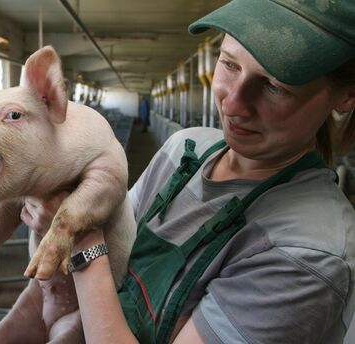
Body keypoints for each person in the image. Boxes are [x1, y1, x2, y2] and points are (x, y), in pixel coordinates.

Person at [21, 0, 355, 343]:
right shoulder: (182, 148)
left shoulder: (308, 251)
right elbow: (114, 245)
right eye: (229, 64)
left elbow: (96, 244)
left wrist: (78, 235)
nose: (235, 103)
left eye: (276, 86)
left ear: (346, 96)